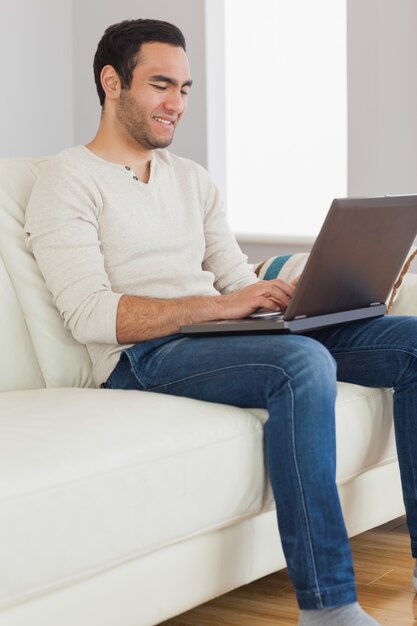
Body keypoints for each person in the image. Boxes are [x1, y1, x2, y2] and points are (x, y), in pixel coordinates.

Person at [24, 18, 417, 626]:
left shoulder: (191, 179)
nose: (176, 104)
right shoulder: (65, 180)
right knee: (303, 365)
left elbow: (233, 277)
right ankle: (329, 605)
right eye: (161, 85)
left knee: (412, 343)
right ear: (111, 82)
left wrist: (290, 298)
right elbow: (91, 315)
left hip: (221, 334)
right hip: (144, 356)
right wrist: (224, 306)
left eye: (184, 88)